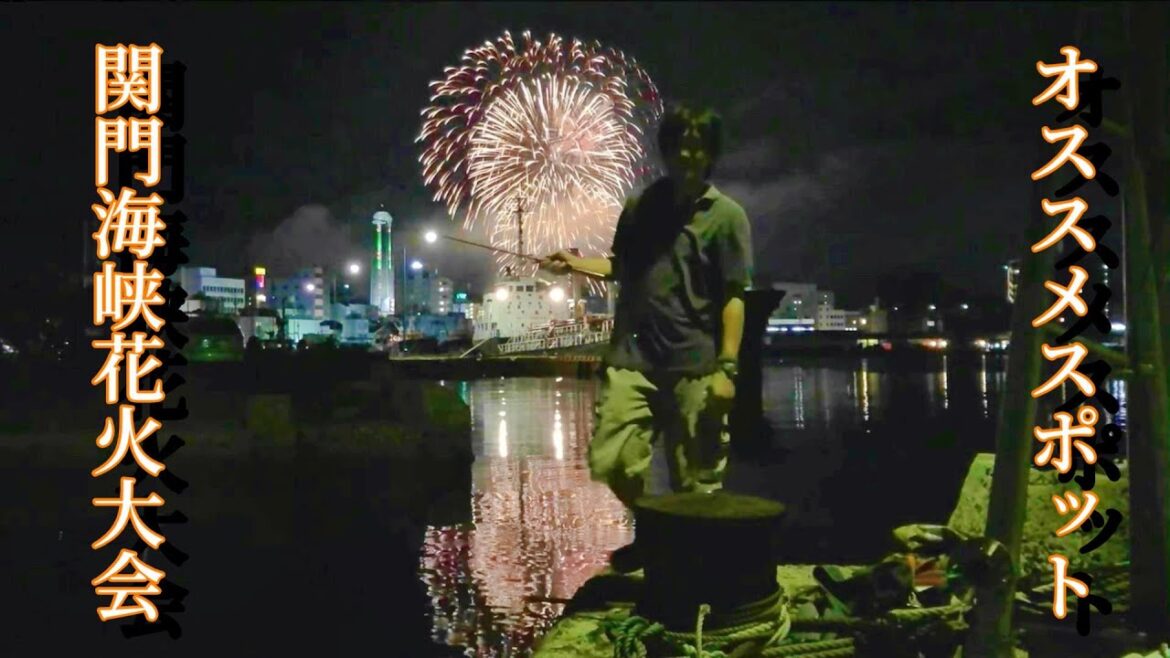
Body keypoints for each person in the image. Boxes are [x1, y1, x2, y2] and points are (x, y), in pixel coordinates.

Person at [542, 103, 753, 556]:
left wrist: (728, 368)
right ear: (667, 150)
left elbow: (736, 294)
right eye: (679, 145)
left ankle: (690, 564)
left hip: (695, 364)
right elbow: (621, 265)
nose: (688, 156)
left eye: (698, 147)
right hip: (632, 360)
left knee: (696, 479)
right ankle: (658, 530)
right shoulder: (640, 205)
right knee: (613, 459)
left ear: (711, 154)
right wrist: (573, 262)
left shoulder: (727, 217)